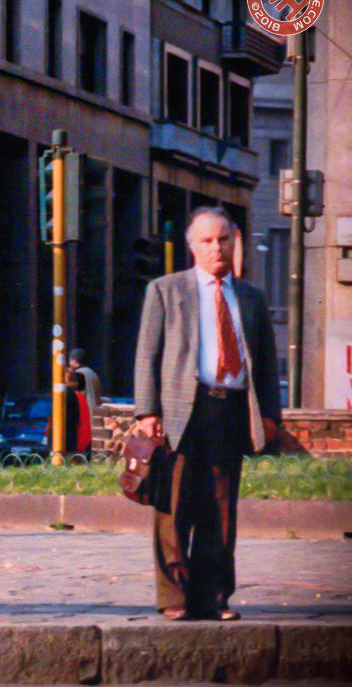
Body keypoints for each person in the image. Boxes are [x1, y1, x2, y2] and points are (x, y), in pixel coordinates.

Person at [133, 206, 280, 622]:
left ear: (235, 243)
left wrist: (270, 415)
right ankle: (174, 596)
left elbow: (266, 364)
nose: (217, 247)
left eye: (224, 239)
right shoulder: (166, 290)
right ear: (193, 247)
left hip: (229, 410)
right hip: (181, 410)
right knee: (174, 504)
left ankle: (213, 596)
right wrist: (147, 411)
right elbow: (147, 354)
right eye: (208, 241)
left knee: (221, 506)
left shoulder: (251, 298)